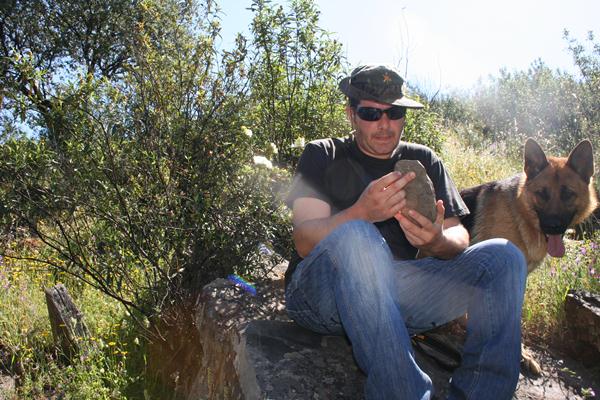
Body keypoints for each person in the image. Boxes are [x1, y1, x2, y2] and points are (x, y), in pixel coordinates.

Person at [284, 65, 527, 400]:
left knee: (505, 256)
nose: (384, 124)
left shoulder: (424, 159)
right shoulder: (323, 153)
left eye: (394, 113)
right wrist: (360, 213)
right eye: (371, 113)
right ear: (351, 114)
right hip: (321, 295)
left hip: (396, 297)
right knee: (358, 236)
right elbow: (303, 242)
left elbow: (459, 237)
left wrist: (437, 241)